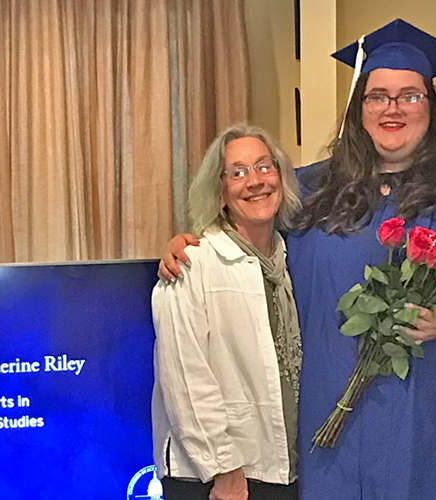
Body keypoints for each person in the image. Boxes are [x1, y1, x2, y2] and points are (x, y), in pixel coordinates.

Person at [159, 19, 436, 500]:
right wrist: (191, 240)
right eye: (378, 96)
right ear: (358, 109)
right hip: (336, 421)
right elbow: (244, 237)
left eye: (410, 95)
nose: (393, 108)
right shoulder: (308, 190)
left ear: (431, 107)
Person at [150, 123, 302, 500]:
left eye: (265, 167)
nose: (255, 181)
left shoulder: (289, 261)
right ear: (219, 192)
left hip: (278, 469)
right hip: (216, 479)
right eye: (237, 172)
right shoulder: (190, 264)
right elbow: (184, 377)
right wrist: (224, 469)